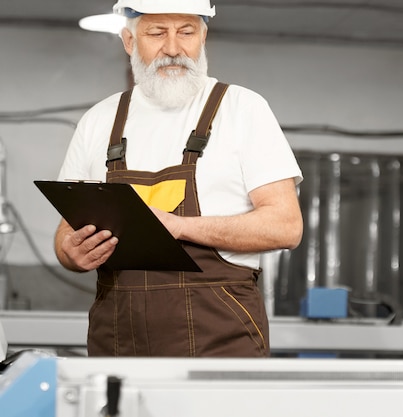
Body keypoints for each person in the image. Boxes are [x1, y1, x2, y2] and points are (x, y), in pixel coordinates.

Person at [53, 0, 303, 357]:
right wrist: (70, 253)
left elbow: (286, 226)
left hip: (220, 338)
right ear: (128, 41)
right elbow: (65, 231)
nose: (173, 48)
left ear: (204, 36)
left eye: (186, 32)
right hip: (118, 339)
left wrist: (180, 227)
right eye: (156, 33)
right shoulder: (99, 120)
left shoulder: (242, 109)